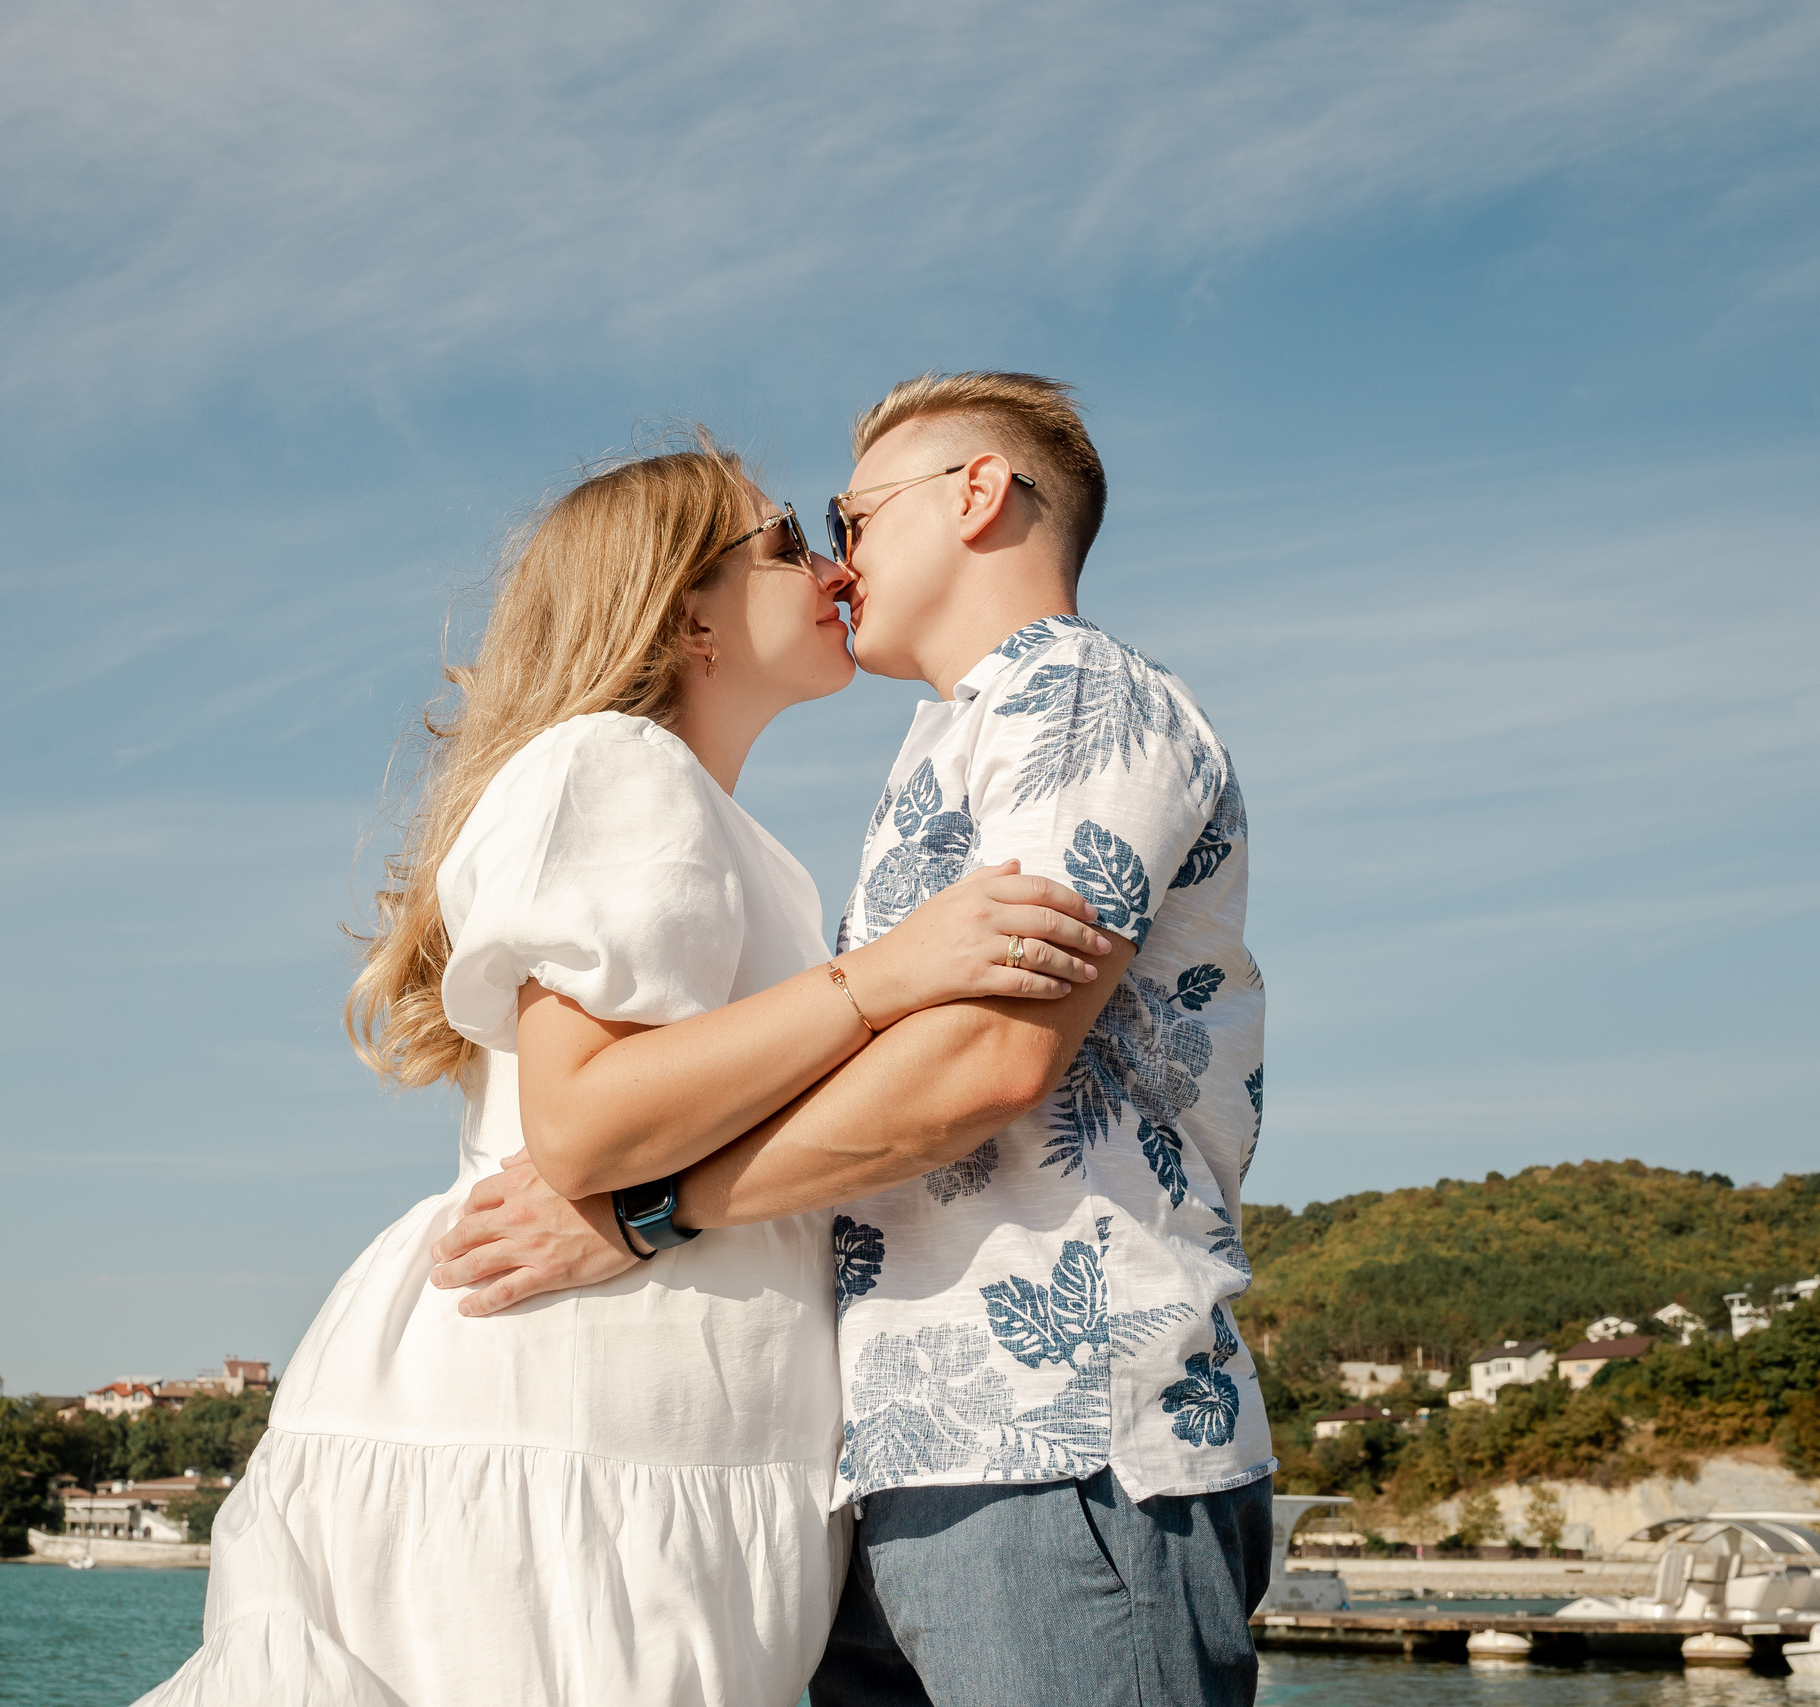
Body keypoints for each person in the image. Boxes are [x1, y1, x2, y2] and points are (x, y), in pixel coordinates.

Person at [137, 432, 1111, 1707]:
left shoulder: (728, 832)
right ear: (687, 613)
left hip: (644, 1425)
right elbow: (585, 1124)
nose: (835, 566)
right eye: (788, 542)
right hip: (572, 1425)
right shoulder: (617, 764)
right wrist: (883, 976)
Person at [436, 375, 1276, 1707]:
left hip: (1059, 1430)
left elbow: (985, 1062)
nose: (838, 560)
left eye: (853, 516)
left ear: (978, 493)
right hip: (916, 1444)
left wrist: (652, 1210)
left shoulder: (1070, 695)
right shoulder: (957, 737)